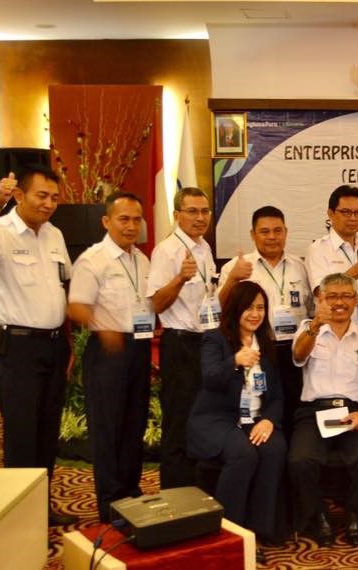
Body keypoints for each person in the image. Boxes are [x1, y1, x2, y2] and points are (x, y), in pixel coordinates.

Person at [0, 165, 76, 525]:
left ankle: (41, 508)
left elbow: (63, 287)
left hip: (54, 348)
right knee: (23, 437)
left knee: (47, 434)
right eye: (42, 196)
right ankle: (20, 518)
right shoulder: (0, 230)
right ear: (20, 195)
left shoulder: (55, 234)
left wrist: (69, 344)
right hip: (18, 350)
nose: (49, 204)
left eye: (54, 197)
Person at [67, 191, 153, 521]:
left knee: (134, 423)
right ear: (106, 221)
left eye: (136, 219)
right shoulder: (93, 259)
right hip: (107, 350)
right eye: (123, 219)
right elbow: (76, 306)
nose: (131, 226)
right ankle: (110, 503)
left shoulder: (142, 260)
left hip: (138, 347)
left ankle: (131, 491)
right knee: (108, 428)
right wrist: (103, 329)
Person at [187, 281, 285, 550]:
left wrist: (268, 420)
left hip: (254, 419)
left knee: (274, 448)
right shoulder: (215, 339)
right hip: (217, 419)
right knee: (244, 454)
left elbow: (277, 396)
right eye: (249, 307)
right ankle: (230, 535)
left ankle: (258, 531)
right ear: (235, 308)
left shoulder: (266, 343)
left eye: (260, 308)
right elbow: (210, 378)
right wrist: (234, 361)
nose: (255, 314)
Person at [288, 273, 358, 547]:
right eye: (332, 297)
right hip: (313, 412)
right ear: (321, 299)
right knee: (300, 460)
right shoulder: (307, 329)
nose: (339, 302)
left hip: (353, 411)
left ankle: (356, 515)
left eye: (345, 296)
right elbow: (298, 355)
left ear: (355, 300)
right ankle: (318, 516)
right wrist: (315, 327)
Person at [147, 187, 217, 489]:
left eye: (205, 211)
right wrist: (180, 278)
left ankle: (200, 492)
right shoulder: (166, 251)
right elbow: (156, 304)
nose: (200, 218)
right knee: (179, 422)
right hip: (180, 345)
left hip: (205, 342)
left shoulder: (204, 248)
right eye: (192, 211)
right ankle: (175, 497)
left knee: (202, 419)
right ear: (177, 215)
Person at [218, 206, 312, 341]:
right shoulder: (234, 267)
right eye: (265, 232)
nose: (272, 237)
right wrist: (233, 279)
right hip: (253, 346)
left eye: (277, 231)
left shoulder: (300, 266)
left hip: (296, 346)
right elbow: (220, 309)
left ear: (285, 232)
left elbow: (311, 309)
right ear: (253, 234)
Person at [305, 185, 358, 329]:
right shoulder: (318, 249)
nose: (353, 218)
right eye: (346, 212)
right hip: (334, 331)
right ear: (330, 214)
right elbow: (323, 293)